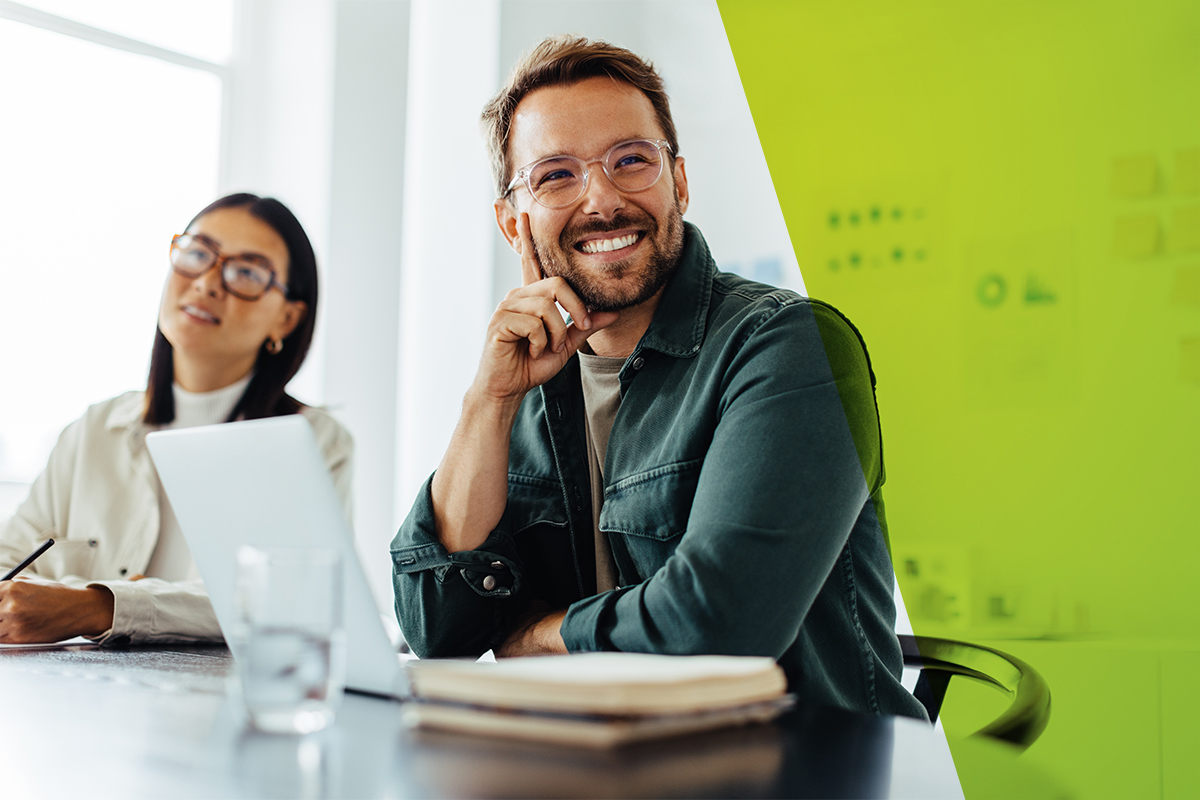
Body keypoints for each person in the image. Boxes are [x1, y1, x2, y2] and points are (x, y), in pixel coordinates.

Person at [391, 36, 924, 718]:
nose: (602, 199)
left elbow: (720, 625)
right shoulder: (523, 383)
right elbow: (435, 628)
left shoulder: (791, 347)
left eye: (631, 161)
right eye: (556, 175)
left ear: (679, 182)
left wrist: (536, 635)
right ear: (512, 224)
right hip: (590, 757)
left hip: (795, 761)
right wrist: (488, 401)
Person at [0, 193, 352, 646]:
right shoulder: (94, 430)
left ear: (287, 318)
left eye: (246, 272)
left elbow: (291, 601)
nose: (207, 283)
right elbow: (9, 564)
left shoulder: (315, 442)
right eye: (198, 254)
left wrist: (99, 606)